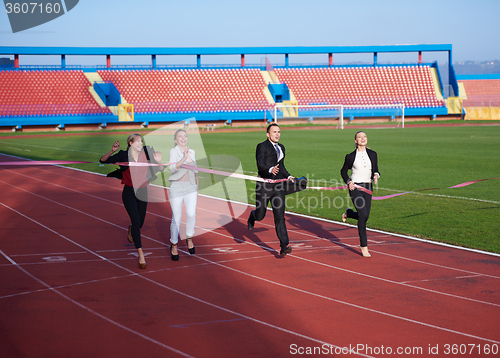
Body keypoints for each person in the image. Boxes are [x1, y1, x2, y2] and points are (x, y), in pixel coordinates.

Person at [100, 133, 163, 269]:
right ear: (131, 143)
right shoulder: (123, 155)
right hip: (129, 192)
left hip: (143, 192)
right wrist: (112, 151)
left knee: (139, 223)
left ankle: (131, 229)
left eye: (141, 141)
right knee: (135, 220)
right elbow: (102, 160)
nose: (141, 143)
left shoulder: (146, 153)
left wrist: (158, 161)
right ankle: (141, 253)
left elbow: (161, 168)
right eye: (138, 141)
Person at [247, 123, 295, 256]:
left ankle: (284, 245)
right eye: (274, 132)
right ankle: (253, 216)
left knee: (280, 216)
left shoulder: (281, 148)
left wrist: (289, 176)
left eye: (279, 131)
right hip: (264, 185)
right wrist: (269, 170)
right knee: (261, 215)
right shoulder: (261, 146)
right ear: (268, 134)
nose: (277, 134)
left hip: (278, 186)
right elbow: (260, 164)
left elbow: (282, 167)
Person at [340, 131, 380, 258]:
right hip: (355, 187)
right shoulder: (351, 156)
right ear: (355, 141)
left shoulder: (373, 154)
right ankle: (364, 246)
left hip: (368, 187)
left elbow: (376, 169)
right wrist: (348, 182)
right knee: (362, 215)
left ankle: (350, 213)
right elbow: (343, 171)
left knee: (365, 216)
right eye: (359, 137)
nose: (363, 138)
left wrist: (376, 175)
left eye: (365, 136)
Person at [168, 129, 198, 261]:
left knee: (191, 214)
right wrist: (184, 157)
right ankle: (174, 244)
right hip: (177, 187)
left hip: (191, 187)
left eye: (185, 136)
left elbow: (195, 169)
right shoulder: (173, 152)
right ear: (175, 140)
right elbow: (173, 168)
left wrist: (197, 185)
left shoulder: (192, 151)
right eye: (180, 136)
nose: (183, 138)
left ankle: (189, 237)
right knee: (177, 218)